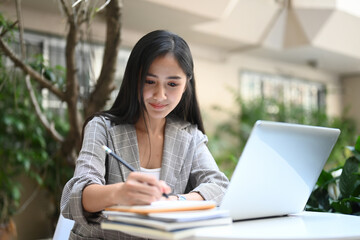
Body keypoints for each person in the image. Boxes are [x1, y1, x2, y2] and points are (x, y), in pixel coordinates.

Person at [60, 29, 229, 239]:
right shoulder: (102, 127)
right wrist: (120, 193)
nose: (160, 95)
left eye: (173, 84)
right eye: (150, 81)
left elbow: (220, 186)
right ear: (134, 79)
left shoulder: (190, 136)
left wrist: (176, 202)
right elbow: (74, 196)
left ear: (186, 85)